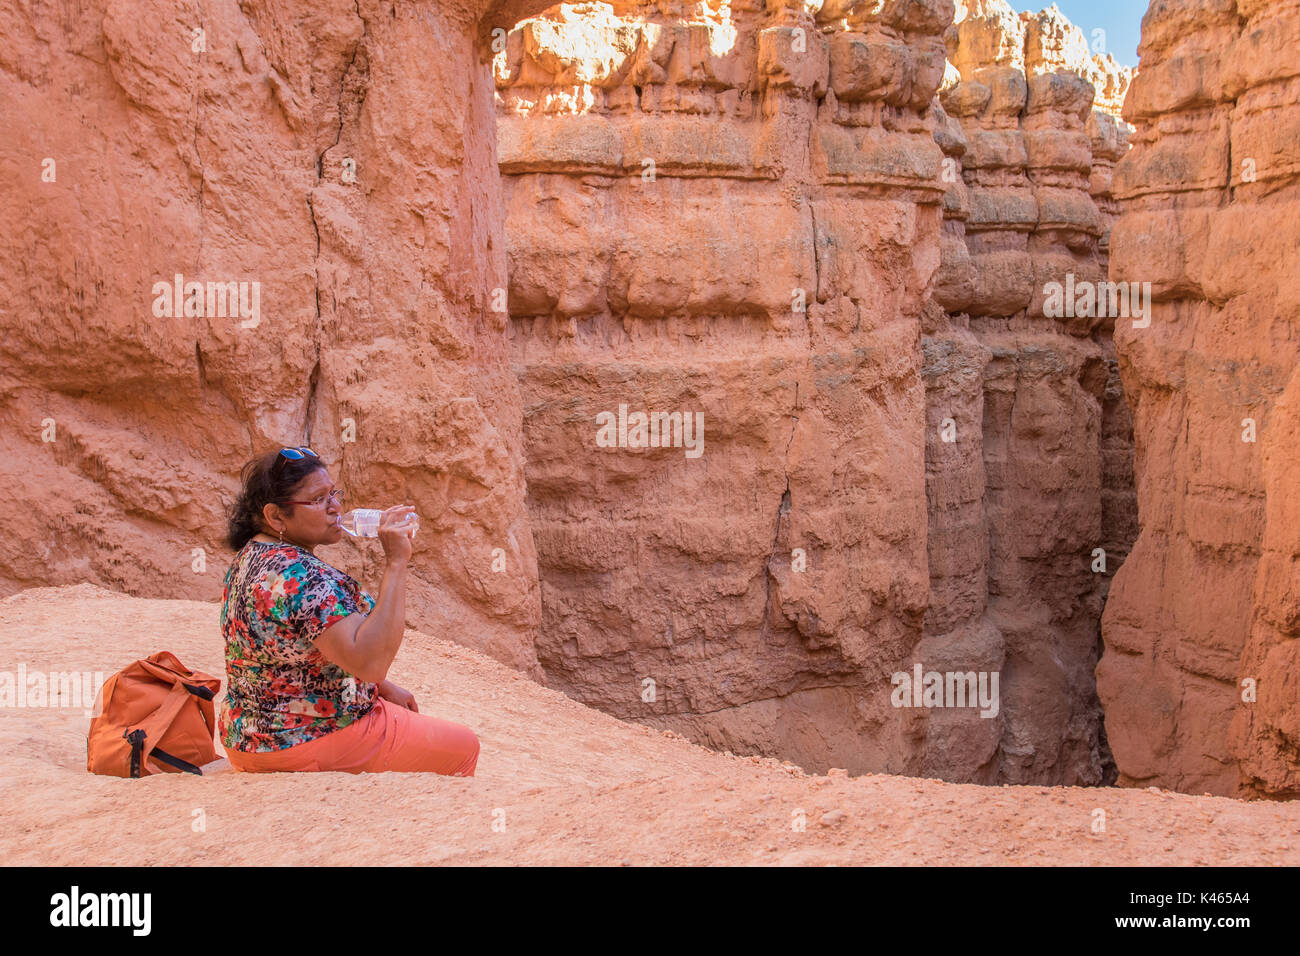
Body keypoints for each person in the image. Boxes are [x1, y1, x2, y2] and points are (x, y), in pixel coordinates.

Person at [217, 445, 480, 775]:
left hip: (247, 740)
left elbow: (301, 651)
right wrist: (397, 562)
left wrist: (382, 688)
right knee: (464, 746)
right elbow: (371, 662)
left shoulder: (251, 557)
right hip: (304, 740)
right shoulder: (302, 576)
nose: (335, 507)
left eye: (333, 494)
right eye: (318, 500)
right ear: (276, 516)